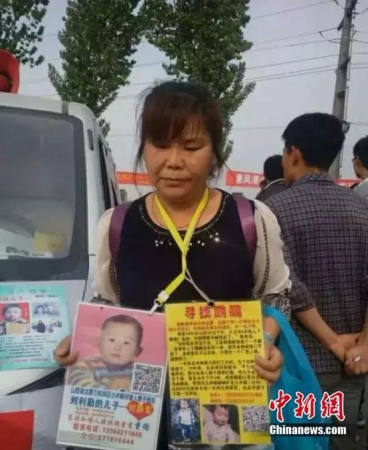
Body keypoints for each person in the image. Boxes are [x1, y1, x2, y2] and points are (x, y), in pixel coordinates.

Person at [55, 81, 292, 449]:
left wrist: (265, 342)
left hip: (224, 413)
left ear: (215, 152)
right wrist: (82, 344)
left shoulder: (251, 219)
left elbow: (276, 296)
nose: (174, 161)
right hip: (133, 417)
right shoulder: (115, 225)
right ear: (144, 148)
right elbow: (109, 305)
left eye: (192, 146)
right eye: (160, 145)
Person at [265, 113, 368, 450]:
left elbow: (288, 284)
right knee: (340, 439)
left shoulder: (274, 209)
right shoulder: (361, 207)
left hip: (299, 365)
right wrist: (362, 344)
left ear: (294, 152)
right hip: (354, 363)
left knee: (299, 441)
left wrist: (330, 341)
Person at [67, 314, 143, 390]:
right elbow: (78, 383)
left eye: (126, 342)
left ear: (137, 351)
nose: (117, 347)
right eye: (112, 340)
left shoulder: (140, 372)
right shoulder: (87, 366)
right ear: (99, 342)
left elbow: (151, 394)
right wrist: (114, 392)